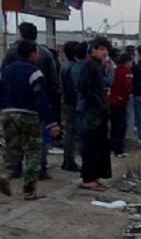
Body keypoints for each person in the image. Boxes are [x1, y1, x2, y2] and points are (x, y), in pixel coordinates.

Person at [0, 41, 61, 200]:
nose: (38, 55)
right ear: (32, 53)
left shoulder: (5, 71)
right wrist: (52, 123)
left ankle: (5, 174)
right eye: (36, 52)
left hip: (7, 114)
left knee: (12, 148)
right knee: (33, 151)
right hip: (28, 115)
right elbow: (41, 99)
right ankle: (29, 189)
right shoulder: (35, 73)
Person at [77, 36, 113, 192]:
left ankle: (94, 177)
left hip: (98, 110)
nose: (104, 52)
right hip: (92, 111)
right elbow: (84, 87)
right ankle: (88, 178)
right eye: (101, 49)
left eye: (106, 49)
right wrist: (98, 103)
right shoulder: (89, 66)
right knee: (91, 144)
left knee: (99, 145)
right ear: (93, 50)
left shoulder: (97, 66)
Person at [60, 41, 82, 172]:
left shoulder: (64, 66)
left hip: (67, 102)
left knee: (69, 131)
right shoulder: (74, 68)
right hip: (73, 103)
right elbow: (77, 87)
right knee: (72, 132)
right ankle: (69, 161)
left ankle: (67, 159)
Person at [108, 53, 133, 157]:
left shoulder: (116, 70)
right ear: (127, 62)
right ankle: (119, 150)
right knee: (121, 127)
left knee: (114, 126)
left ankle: (112, 147)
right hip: (121, 101)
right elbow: (128, 86)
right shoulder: (127, 72)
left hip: (113, 101)